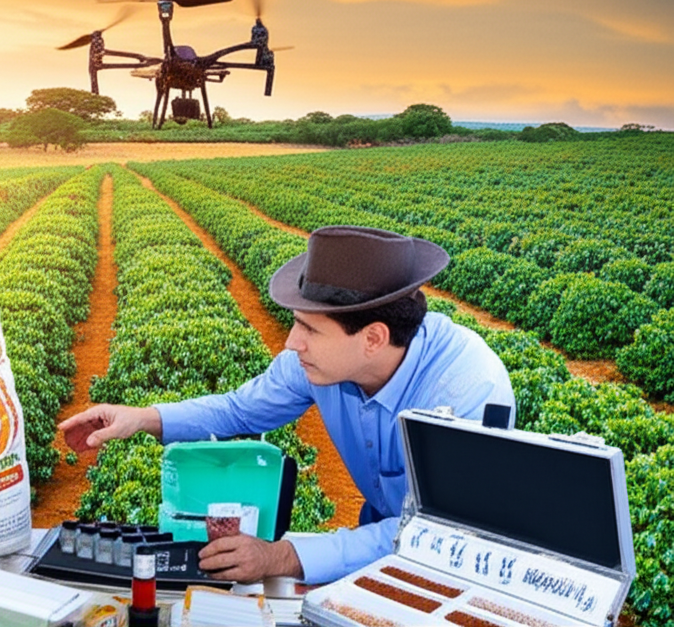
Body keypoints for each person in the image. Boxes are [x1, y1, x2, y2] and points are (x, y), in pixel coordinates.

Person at [59, 225, 515, 585]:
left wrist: (282, 556)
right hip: (374, 537)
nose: (292, 342)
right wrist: (142, 418)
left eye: (309, 329)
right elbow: (241, 410)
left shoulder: (467, 391)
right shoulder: (320, 362)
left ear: (373, 338)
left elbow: (439, 533)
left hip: (453, 562)